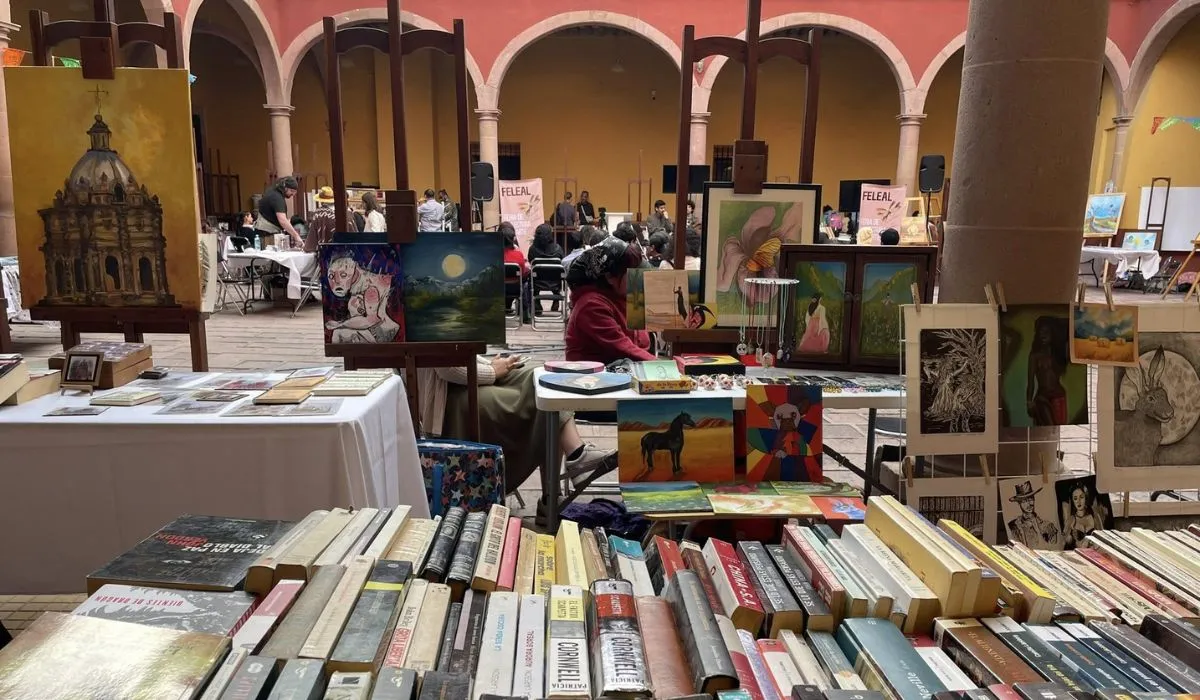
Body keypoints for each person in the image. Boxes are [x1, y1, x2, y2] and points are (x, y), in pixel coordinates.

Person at [416, 356, 617, 498]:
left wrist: (492, 364)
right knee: (537, 402)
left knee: (540, 376)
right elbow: (447, 368)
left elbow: (460, 349)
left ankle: (574, 459)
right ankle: (557, 489)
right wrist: (492, 371)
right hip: (447, 396)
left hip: (462, 375)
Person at [564, 236, 655, 364]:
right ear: (610, 277)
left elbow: (643, 343)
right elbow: (623, 348)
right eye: (633, 274)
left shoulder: (628, 295)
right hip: (593, 374)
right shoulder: (591, 305)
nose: (638, 279)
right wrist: (666, 366)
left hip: (625, 368)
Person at [1027, 316, 1070, 425]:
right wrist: (1029, 401)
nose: (1043, 335)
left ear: (1052, 334)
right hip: (1042, 397)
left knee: (1058, 429)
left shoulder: (1059, 354)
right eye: (1040, 332)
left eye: (1046, 332)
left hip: (1058, 396)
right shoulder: (1034, 356)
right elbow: (1030, 381)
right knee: (1048, 427)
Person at [1006, 481, 1060, 547]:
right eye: (1024, 501)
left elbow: (1054, 547)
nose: (1029, 504)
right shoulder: (1014, 526)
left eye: (1031, 499)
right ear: (1019, 503)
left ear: (1034, 499)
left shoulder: (1047, 526)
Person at [305, 185, 357, 252]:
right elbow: (354, 234)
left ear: (321, 200)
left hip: (327, 253)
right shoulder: (348, 212)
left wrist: (307, 248)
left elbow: (311, 241)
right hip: (348, 252)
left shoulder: (319, 214)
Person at [255, 176, 302, 247]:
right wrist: (296, 236)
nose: (293, 194)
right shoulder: (277, 197)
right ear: (285, 187)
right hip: (268, 234)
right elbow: (282, 220)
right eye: (292, 191)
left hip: (264, 231)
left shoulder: (271, 192)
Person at [528, 223, 565, 314]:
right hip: (556, 282)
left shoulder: (532, 249)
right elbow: (562, 262)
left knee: (532, 274)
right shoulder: (558, 249)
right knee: (558, 272)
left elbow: (530, 261)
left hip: (537, 282)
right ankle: (556, 296)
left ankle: (537, 302)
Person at [1061, 484, 1109, 548]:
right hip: (1079, 552)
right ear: (1073, 501)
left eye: (1081, 497)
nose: (1078, 501)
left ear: (1085, 498)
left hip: (1093, 551)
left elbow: (1103, 538)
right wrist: (1069, 538)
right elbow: (1064, 540)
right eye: (1075, 498)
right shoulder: (1071, 519)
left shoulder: (1095, 516)